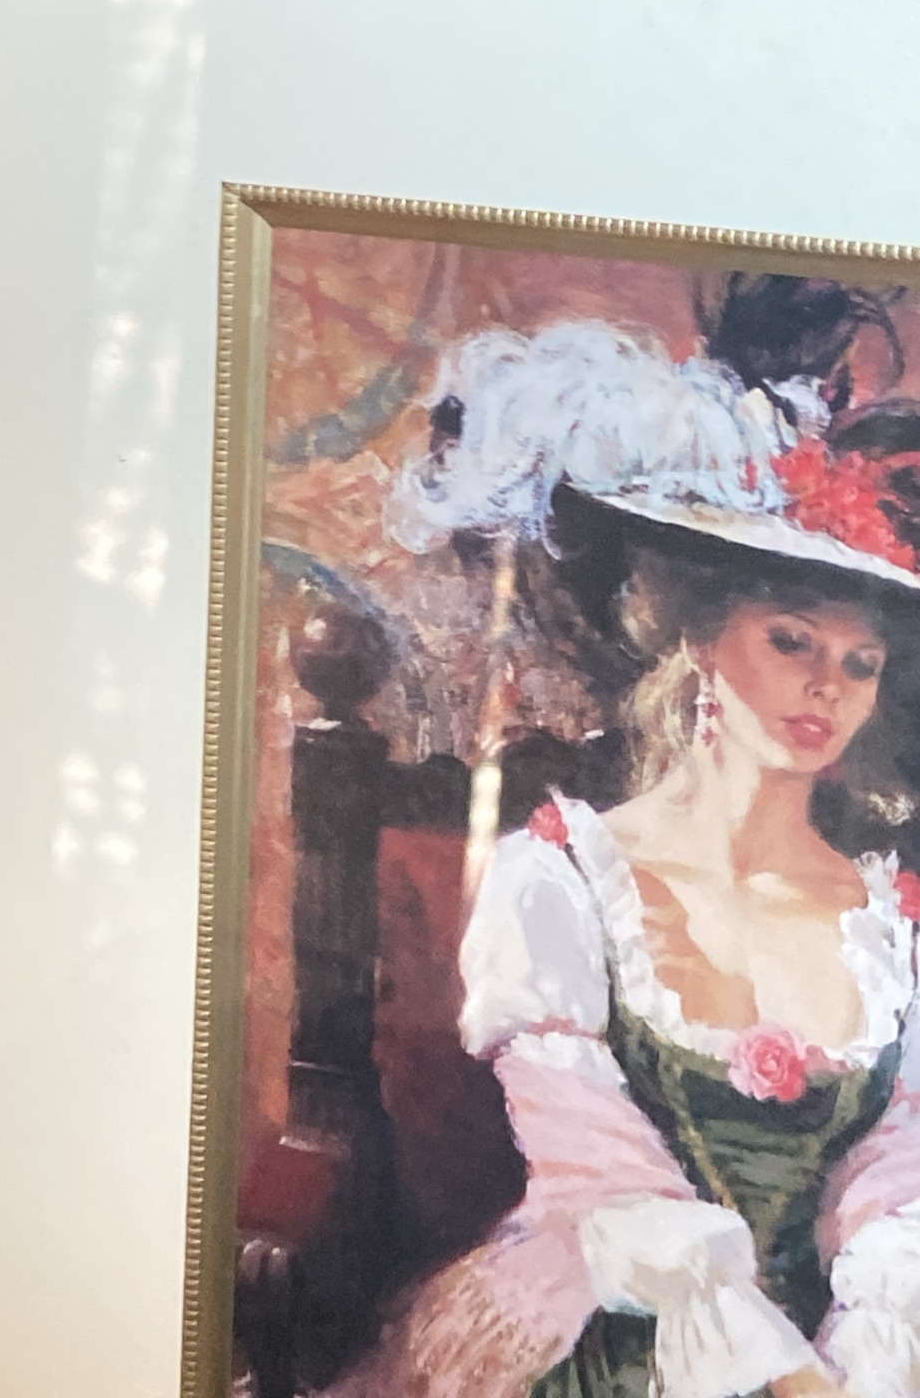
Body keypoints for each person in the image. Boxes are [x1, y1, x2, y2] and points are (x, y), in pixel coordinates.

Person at [343, 315, 920, 1398]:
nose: (825, 687)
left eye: (860, 662)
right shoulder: (559, 880)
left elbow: (895, 1188)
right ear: (698, 637)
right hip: (632, 1334)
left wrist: (861, 1371)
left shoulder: (888, 925)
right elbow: (603, 1180)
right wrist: (784, 1382)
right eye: (790, 640)